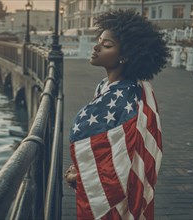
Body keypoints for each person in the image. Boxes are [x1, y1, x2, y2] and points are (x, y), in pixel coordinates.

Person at [64, 10, 170, 220]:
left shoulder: (120, 98)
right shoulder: (123, 87)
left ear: (126, 56)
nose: (96, 47)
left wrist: (81, 176)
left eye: (107, 45)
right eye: (99, 41)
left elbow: (118, 162)